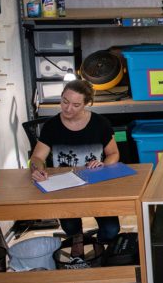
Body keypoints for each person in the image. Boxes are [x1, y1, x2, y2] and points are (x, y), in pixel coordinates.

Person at [30, 79, 121, 243]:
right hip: (65, 189)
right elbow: (37, 157)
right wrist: (37, 169)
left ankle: (99, 247)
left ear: (87, 104)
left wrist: (104, 164)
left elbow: (113, 153)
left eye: (76, 105)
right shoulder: (51, 126)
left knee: (111, 230)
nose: (68, 108)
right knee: (71, 228)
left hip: (96, 186)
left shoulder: (101, 124)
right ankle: (76, 241)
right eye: (65, 101)